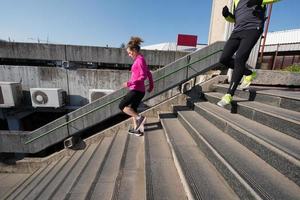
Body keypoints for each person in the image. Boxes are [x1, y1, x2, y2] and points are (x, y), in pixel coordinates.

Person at [217, 0, 281, 107]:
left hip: (253, 29)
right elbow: (235, 19)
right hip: (237, 31)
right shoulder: (236, 1)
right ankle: (248, 73)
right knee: (224, 59)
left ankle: (229, 95)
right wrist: (227, 15)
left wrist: (259, 1)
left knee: (239, 58)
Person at [119, 36, 154, 136]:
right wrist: (151, 85)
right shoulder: (140, 59)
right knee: (133, 110)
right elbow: (149, 74)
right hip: (139, 90)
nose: (129, 55)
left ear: (134, 50)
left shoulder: (139, 60)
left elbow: (143, 76)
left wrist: (129, 83)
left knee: (121, 106)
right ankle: (138, 130)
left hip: (136, 90)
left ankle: (140, 118)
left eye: (130, 53)